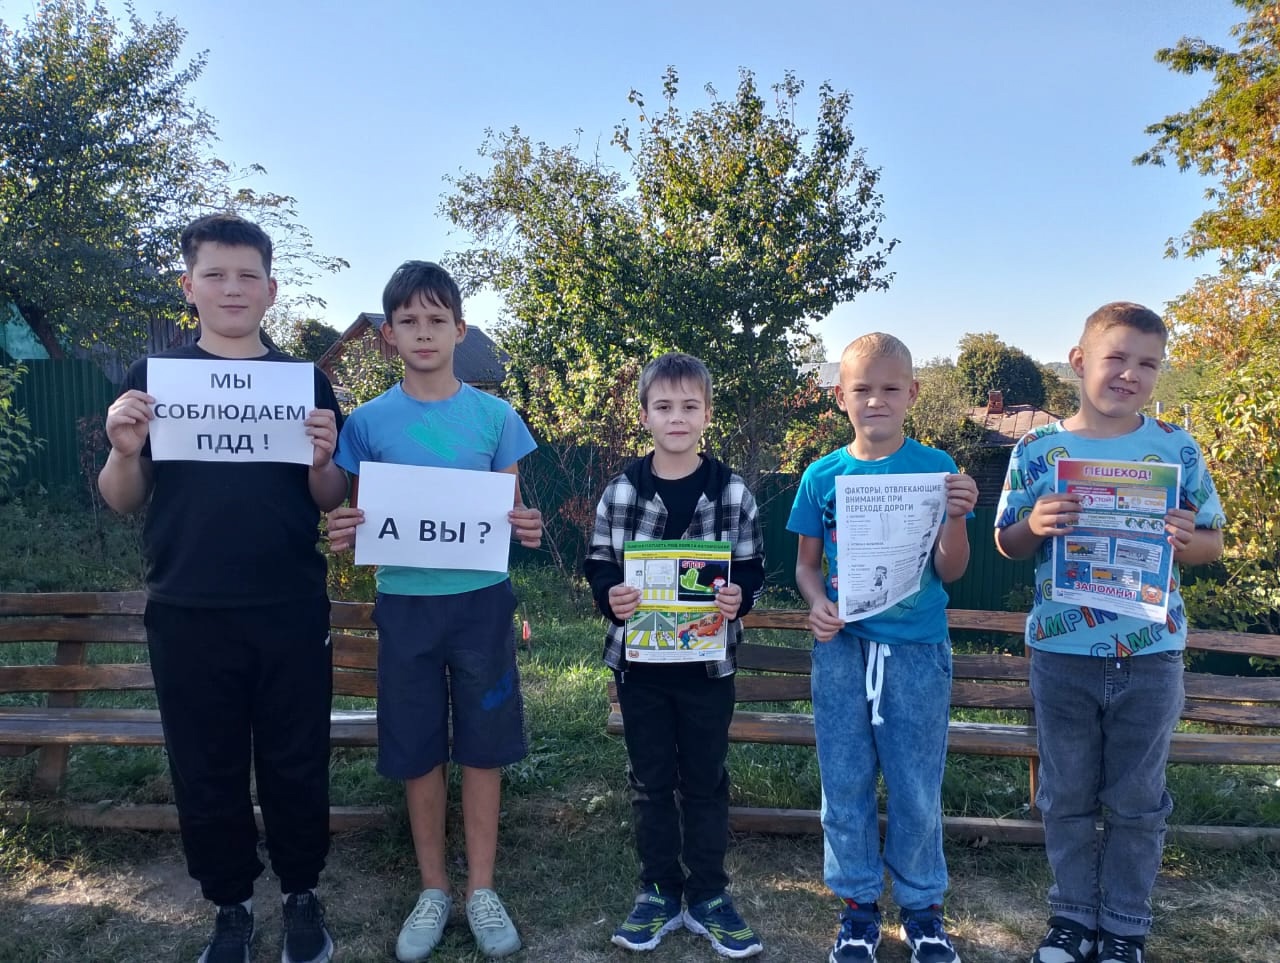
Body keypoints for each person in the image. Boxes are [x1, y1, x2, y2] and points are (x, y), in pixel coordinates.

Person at [97, 213, 348, 963]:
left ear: (272, 289)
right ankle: (230, 905)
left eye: (247, 276)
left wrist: (323, 460)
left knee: (297, 759)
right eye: (215, 274)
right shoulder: (152, 379)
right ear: (189, 286)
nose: (231, 288)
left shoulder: (306, 381)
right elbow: (122, 498)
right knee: (205, 765)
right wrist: (122, 450)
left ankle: (301, 893)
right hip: (187, 608)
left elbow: (329, 497)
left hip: (289, 607)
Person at [994, 302, 1225, 963]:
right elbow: (1007, 542)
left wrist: (1186, 538)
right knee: (1065, 795)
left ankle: (1124, 926)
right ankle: (1071, 919)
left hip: (1152, 654)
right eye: (1116, 357)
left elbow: (1212, 543)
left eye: (1147, 363)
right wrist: (1034, 525)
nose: (1130, 373)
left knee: (1138, 801)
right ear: (1079, 361)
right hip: (1060, 653)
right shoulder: (1037, 449)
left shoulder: (1177, 448)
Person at [325, 261, 542, 962]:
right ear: (388, 334)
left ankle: (482, 888)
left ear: (460, 329)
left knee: (483, 743)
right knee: (418, 744)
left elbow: (510, 512)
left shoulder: (497, 418)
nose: (424, 332)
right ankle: (433, 888)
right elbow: (356, 511)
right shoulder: (365, 423)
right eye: (409, 321)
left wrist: (527, 527)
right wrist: (343, 527)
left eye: (437, 319)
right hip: (405, 605)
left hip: (481, 604)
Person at [787, 332, 978, 963]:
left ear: (912, 393)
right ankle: (857, 909)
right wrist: (817, 604)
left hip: (917, 652)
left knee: (916, 786)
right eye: (862, 389)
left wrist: (956, 515)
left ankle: (923, 910)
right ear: (840, 396)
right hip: (842, 652)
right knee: (843, 784)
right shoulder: (822, 475)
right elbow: (807, 567)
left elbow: (951, 571)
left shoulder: (937, 467)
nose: (876, 400)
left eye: (890, 388)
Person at [584, 352, 766, 959]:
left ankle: (709, 894)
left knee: (707, 780)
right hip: (640, 669)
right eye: (664, 406)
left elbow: (752, 566)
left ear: (708, 413)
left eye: (690, 406)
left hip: (709, 668)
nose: (677, 417)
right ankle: (659, 890)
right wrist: (609, 595)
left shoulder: (732, 491)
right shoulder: (621, 491)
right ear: (645, 416)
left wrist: (740, 596)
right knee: (651, 782)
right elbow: (599, 562)